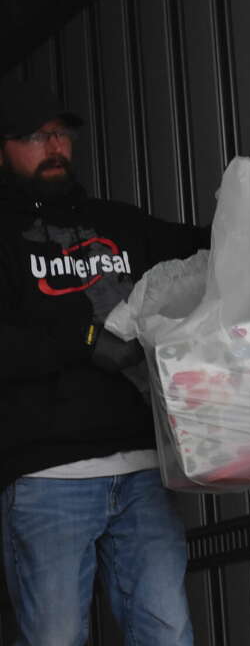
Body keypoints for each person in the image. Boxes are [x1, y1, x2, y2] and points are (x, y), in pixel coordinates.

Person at [0, 81, 205, 644]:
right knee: (55, 637)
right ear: (3, 149)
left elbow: (203, 256)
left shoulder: (122, 223)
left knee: (167, 633)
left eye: (62, 134)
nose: (54, 146)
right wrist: (87, 339)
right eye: (35, 137)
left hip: (145, 468)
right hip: (48, 476)